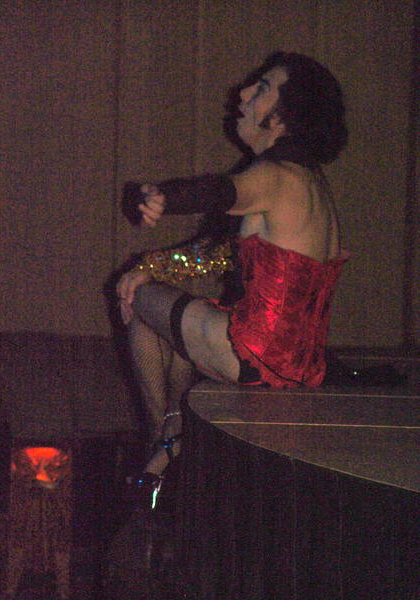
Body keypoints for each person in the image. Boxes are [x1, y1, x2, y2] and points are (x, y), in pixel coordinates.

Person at [117, 51, 349, 505]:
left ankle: (162, 437)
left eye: (261, 89)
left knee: (139, 302)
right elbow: (220, 254)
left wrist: (163, 198)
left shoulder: (275, 176)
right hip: (301, 369)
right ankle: (171, 440)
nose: (242, 94)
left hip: (252, 353)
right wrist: (153, 264)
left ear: (284, 115)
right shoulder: (312, 185)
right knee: (177, 327)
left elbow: (221, 192)